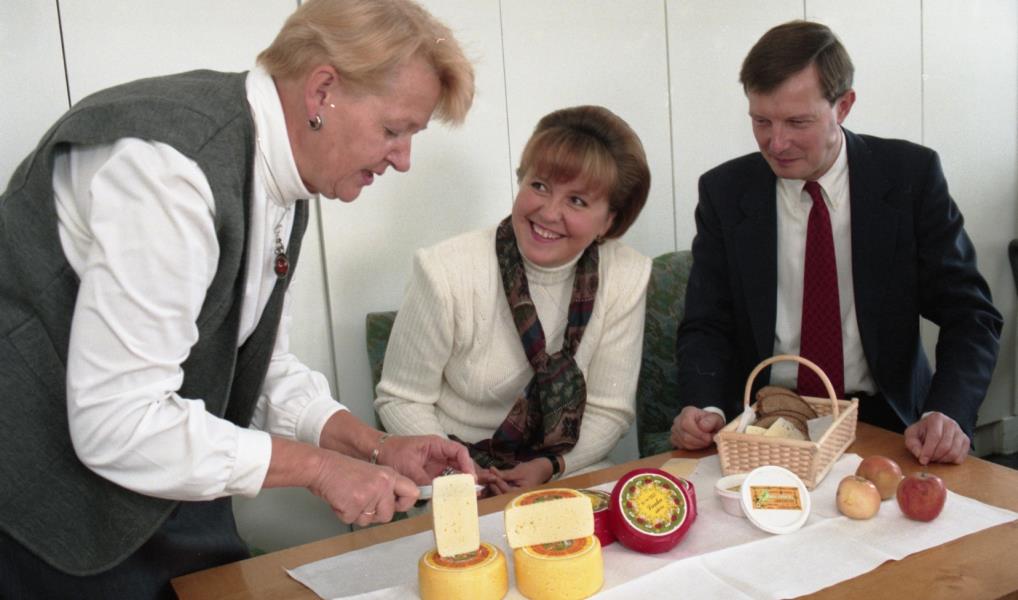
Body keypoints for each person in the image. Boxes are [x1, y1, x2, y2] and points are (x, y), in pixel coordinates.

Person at [0, 0, 477, 597]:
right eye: (394, 130)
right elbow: (117, 420)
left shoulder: (283, 175)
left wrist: (376, 446)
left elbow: (259, 364)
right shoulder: (171, 172)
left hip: (164, 479)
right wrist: (319, 469)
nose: (403, 159)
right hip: (48, 506)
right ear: (322, 91)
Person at [670, 20, 1002, 466]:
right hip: (767, 420)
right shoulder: (725, 192)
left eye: (797, 122)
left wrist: (947, 411)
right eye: (761, 121)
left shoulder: (910, 177)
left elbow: (970, 313)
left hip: (890, 420)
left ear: (843, 106)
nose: (776, 143)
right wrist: (705, 404)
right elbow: (706, 323)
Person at [375, 105, 652, 494]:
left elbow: (609, 409)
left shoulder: (626, 275)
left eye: (577, 201)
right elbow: (400, 400)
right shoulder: (445, 270)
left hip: (562, 469)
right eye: (540, 186)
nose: (549, 212)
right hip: (452, 470)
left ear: (610, 220)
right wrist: (460, 471)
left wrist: (549, 467)